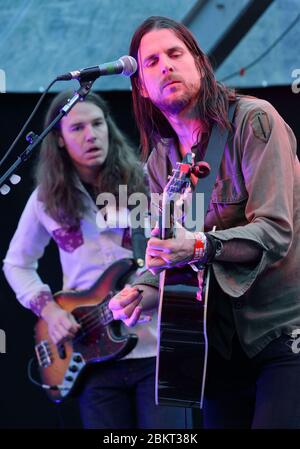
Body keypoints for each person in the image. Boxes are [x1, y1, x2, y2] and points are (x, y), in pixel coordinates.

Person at [109, 16, 300, 429]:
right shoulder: (159, 160)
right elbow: (165, 257)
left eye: (175, 54)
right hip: (217, 343)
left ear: (199, 62)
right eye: (152, 62)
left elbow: (275, 230)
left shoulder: (253, 120)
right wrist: (141, 292)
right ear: (141, 85)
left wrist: (198, 245)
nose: (165, 66)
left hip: (283, 329)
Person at [2, 90, 189, 429]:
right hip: (90, 355)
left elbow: (180, 248)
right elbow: (16, 263)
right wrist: (51, 311)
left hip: (157, 350)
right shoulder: (45, 199)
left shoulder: (145, 183)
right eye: (77, 128)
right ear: (58, 139)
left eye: (98, 123)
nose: (91, 135)